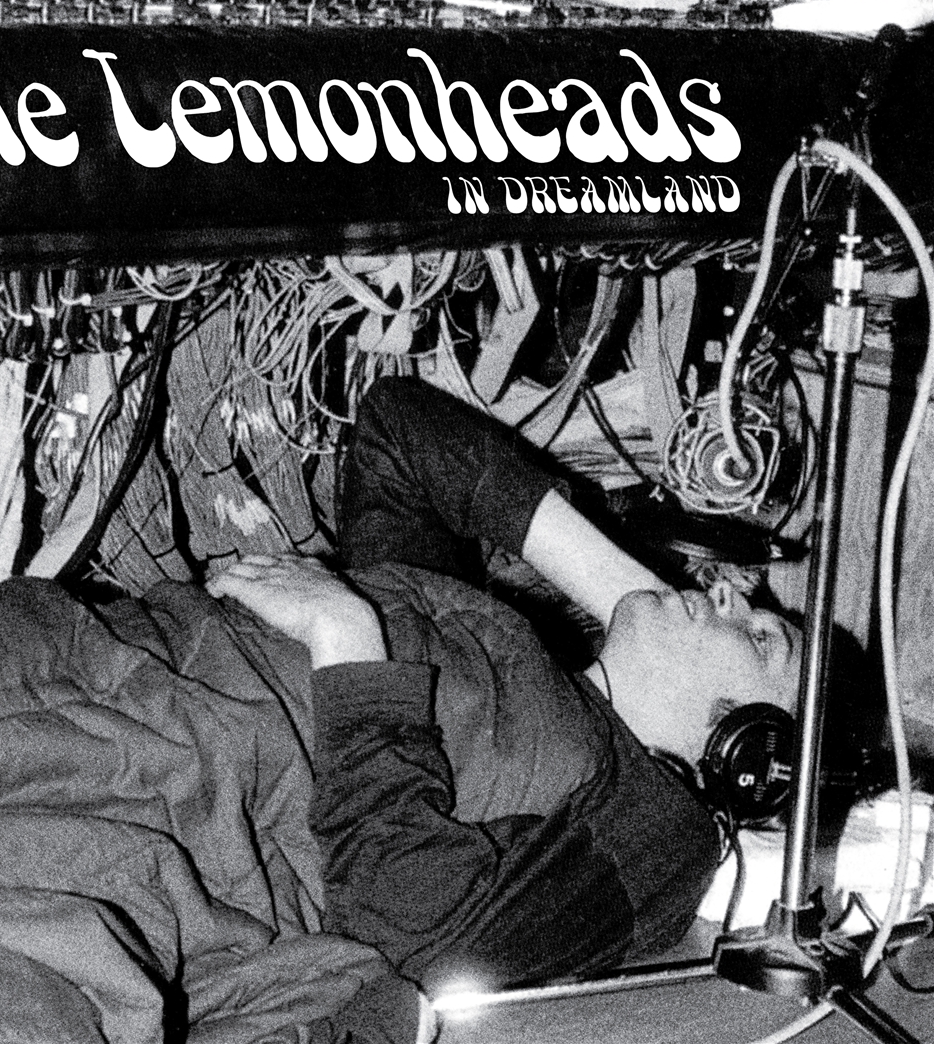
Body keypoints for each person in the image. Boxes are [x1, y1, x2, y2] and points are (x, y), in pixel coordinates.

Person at [207, 377, 801, 998]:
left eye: (763, 640)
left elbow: (412, 938)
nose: (729, 592)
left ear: (745, 750)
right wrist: (639, 598)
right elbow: (399, 429)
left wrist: (345, 634)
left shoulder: (660, 831)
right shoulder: (498, 645)